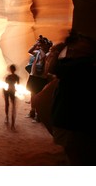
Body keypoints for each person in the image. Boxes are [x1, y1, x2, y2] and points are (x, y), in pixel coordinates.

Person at [48, 30, 96, 165]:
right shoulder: (82, 63)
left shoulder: (79, 65)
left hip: (71, 119)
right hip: (79, 118)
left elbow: (51, 68)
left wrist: (56, 50)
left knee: (74, 153)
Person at [25, 35, 52, 122]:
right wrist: (36, 44)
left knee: (39, 96)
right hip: (34, 76)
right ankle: (32, 112)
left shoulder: (48, 54)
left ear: (47, 45)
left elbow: (46, 60)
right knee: (32, 94)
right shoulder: (38, 52)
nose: (41, 45)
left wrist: (41, 46)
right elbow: (30, 51)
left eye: (43, 44)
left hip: (42, 78)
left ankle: (38, 115)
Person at [3, 64, 20, 130]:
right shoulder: (17, 77)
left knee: (7, 104)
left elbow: (6, 83)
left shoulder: (7, 76)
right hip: (13, 91)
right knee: (13, 107)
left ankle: (7, 118)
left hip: (7, 91)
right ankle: (13, 124)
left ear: (10, 70)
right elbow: (18, 84)